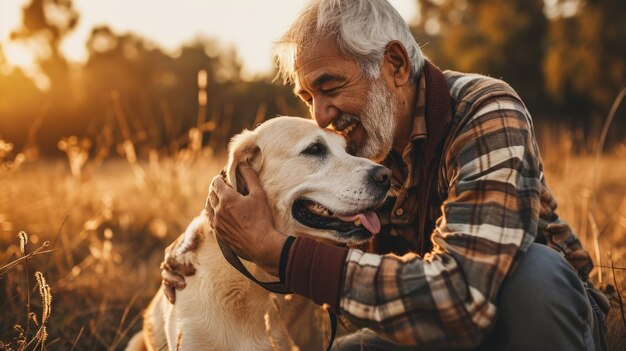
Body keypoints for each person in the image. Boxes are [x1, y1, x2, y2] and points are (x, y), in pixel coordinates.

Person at [162, 0, 609, 349]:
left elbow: (462, 295)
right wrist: (203, 242)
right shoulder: (359, 151)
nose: (320, 115)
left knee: (535, 274)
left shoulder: (487, 110)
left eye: (331, 87)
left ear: (395, 65)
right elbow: (277, 214)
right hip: (439, 335)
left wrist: (278, 253)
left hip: (526, 318)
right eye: (307, 96)